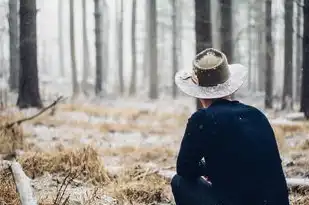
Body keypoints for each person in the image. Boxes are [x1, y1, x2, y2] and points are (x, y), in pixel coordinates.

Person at [171, 48, 290, 205]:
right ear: (228, 85)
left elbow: (185, 168)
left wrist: (207, 169)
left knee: (179, 182)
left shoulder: (202, 119)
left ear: (199, 92)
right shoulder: (256, 115)